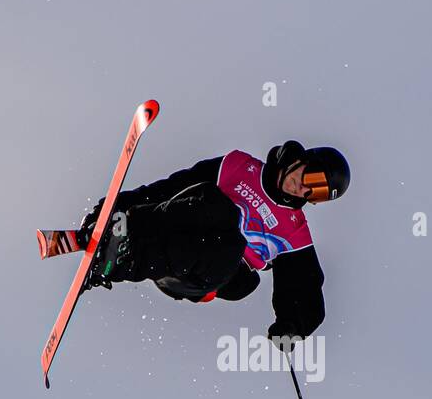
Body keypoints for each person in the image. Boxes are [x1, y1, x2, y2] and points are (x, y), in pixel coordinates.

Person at [78, 141, 350, 346]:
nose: (303, 189)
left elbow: (306, 288)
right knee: (220, 209)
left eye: (317, 193)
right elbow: (172, 187)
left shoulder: (294, 232)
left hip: (200, 275)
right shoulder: (240, 168)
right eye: (312, 179)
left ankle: (119, 261)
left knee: (236, 261)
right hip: (179, 226)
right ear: (301, 161)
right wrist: (111, 208)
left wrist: (292, 326)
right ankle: (122, 236)